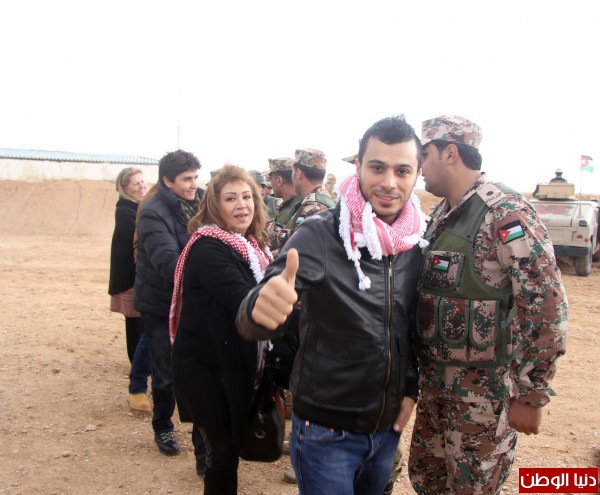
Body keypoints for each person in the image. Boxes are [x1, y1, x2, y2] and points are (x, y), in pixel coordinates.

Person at [236, 115, 427, 495]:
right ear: (358, 167)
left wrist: (410, 388)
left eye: (402, 170)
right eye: (377, 167)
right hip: (327, 433)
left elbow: (406, 327)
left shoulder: (416, 240)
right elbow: (258, 309)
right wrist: (260, 308)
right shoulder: (321, 234)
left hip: (387, 430)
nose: (389, 182)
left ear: (417, 174)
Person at [409, 115, 568, 494]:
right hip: (436, 391)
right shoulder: (443, 214)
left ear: (450, 153)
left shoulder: (505, 213)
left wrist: (531, 394)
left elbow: (546, 305)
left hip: (483, 400)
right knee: (428, 482)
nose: (418, 166)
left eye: (424, 155)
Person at [170, 165, 273, 495]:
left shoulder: (251, 246)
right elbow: (246, 300)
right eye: (231, 198)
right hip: (206, 370)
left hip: (230, 363)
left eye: (247, 197)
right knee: (222, 453)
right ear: (215, 205)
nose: (242, 205)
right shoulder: (209, 248)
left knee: (231, 447)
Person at [134, 150, 206, 468]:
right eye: (187, 179)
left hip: (195, 303)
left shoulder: (203, 201)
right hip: (160, 304)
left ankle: (203, 445)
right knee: (166, 374)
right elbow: (168, 262)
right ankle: (162, 426)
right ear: (167, 180)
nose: (194, 184)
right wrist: (213, 274)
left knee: (199, 373)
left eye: (196, 177)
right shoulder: (153, 212)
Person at [108, 167, 152, 412]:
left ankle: (139, 364)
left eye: (142, 181)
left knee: (139, 322)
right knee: (135, 322)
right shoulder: (125, 209)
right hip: (130, 275)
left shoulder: (139, 206)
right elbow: (138, 235)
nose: (141, 186)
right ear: (125, 187)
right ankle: (136, 364)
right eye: (136, 183)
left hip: (136, 273)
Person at [288, 148, 337, 235]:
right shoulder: (326, 200)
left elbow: (300, 241)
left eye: (292, 171)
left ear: (298, 173)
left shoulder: (313, 207)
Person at [265, 157, 303, 255]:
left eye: (270, 179)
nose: (271, 184)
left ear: (279, 180)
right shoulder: (291, 203)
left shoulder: (300, 206)